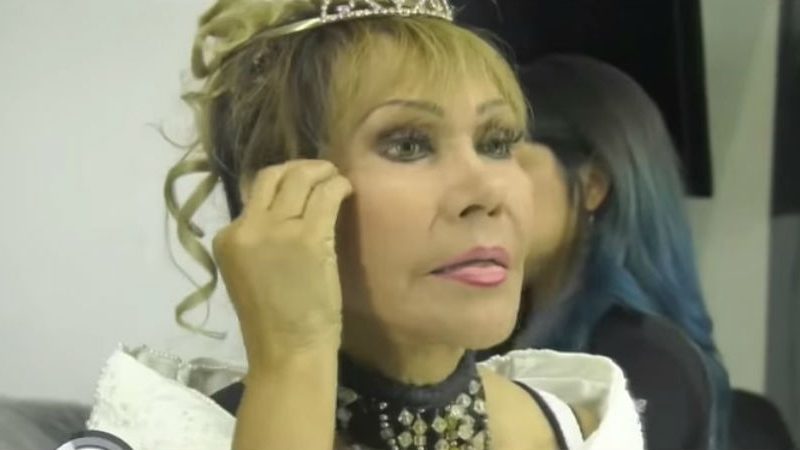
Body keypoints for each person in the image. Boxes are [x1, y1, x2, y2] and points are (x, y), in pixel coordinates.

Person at [84, 4, 643, 450]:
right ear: (277, 191)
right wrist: (293, 362)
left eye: (496, 143)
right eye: (409, 145)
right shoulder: (158, 437)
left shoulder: (586, 431)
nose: (487, 192)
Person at [500, 55, 731, 450]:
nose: (483, 191)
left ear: (592, 186)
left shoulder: (645, 362)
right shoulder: (496, 334)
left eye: (506, 160)